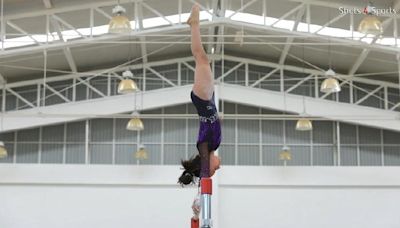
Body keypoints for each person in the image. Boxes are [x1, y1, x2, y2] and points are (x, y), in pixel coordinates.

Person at [178, 4, 221, 186]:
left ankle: (194, 24)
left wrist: (203, 176)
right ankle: (193, 24)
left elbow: (204, 170)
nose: (217, 169)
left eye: (212, 171)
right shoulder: (214, 145)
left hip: (203, 100)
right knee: (203, 60)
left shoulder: (204, 146)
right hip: (207, 100)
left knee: (201, 58)